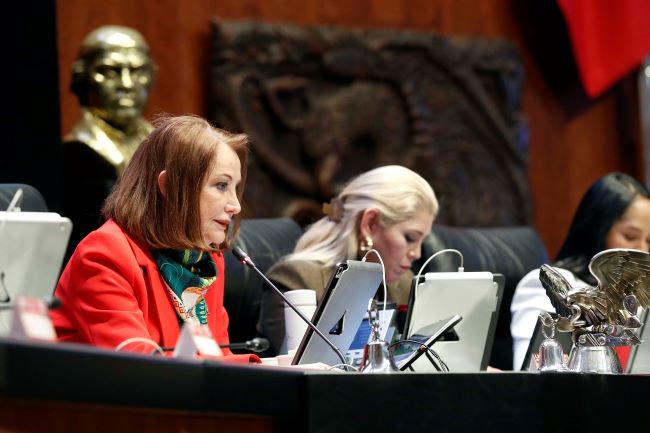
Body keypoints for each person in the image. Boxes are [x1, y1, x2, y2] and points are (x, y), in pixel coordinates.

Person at [51, 115, 255, 361]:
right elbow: (138, 367)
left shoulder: (204, 261)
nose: (235, 206)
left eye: (235, 188)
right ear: (169, 186)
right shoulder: (104, 255)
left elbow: (219, 357)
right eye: (221, 185)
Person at [257, 165, 439, 355]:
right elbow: (299, 369)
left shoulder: (405, 284)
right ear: (370, 224)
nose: (417, 254)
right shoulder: (295, 280)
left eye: (422, 241)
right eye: (410, 238)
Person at [510, 172, 650, 370]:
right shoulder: (546, 283)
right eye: (630, 236)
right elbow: (532, 371)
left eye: (649, 241)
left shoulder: (638, 294)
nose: (642, 250)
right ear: (598, 230)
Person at [63, 25, 157, 257]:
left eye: (137, 71)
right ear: (83, 78)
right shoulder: (78, 153)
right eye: (110, 71)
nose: (127, 84)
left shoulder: (161, 144)